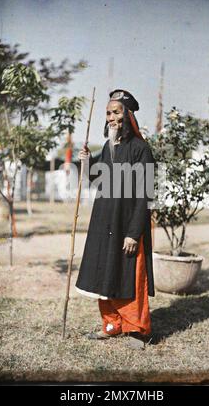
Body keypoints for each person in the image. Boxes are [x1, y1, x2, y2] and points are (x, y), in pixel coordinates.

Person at [75, 89, 155, 349]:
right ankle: (111, 325)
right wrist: (86, 162)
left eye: (117, 112)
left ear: (128, 116)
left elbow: (145, 196)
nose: (111, 117)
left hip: (127, 225)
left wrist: (134, 232)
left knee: (129, 275)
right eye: (108, 113)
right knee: (105, 273)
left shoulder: (141, 150)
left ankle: (136, 330)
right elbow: (93, 179)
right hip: (104, 223)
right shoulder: (108, 148)